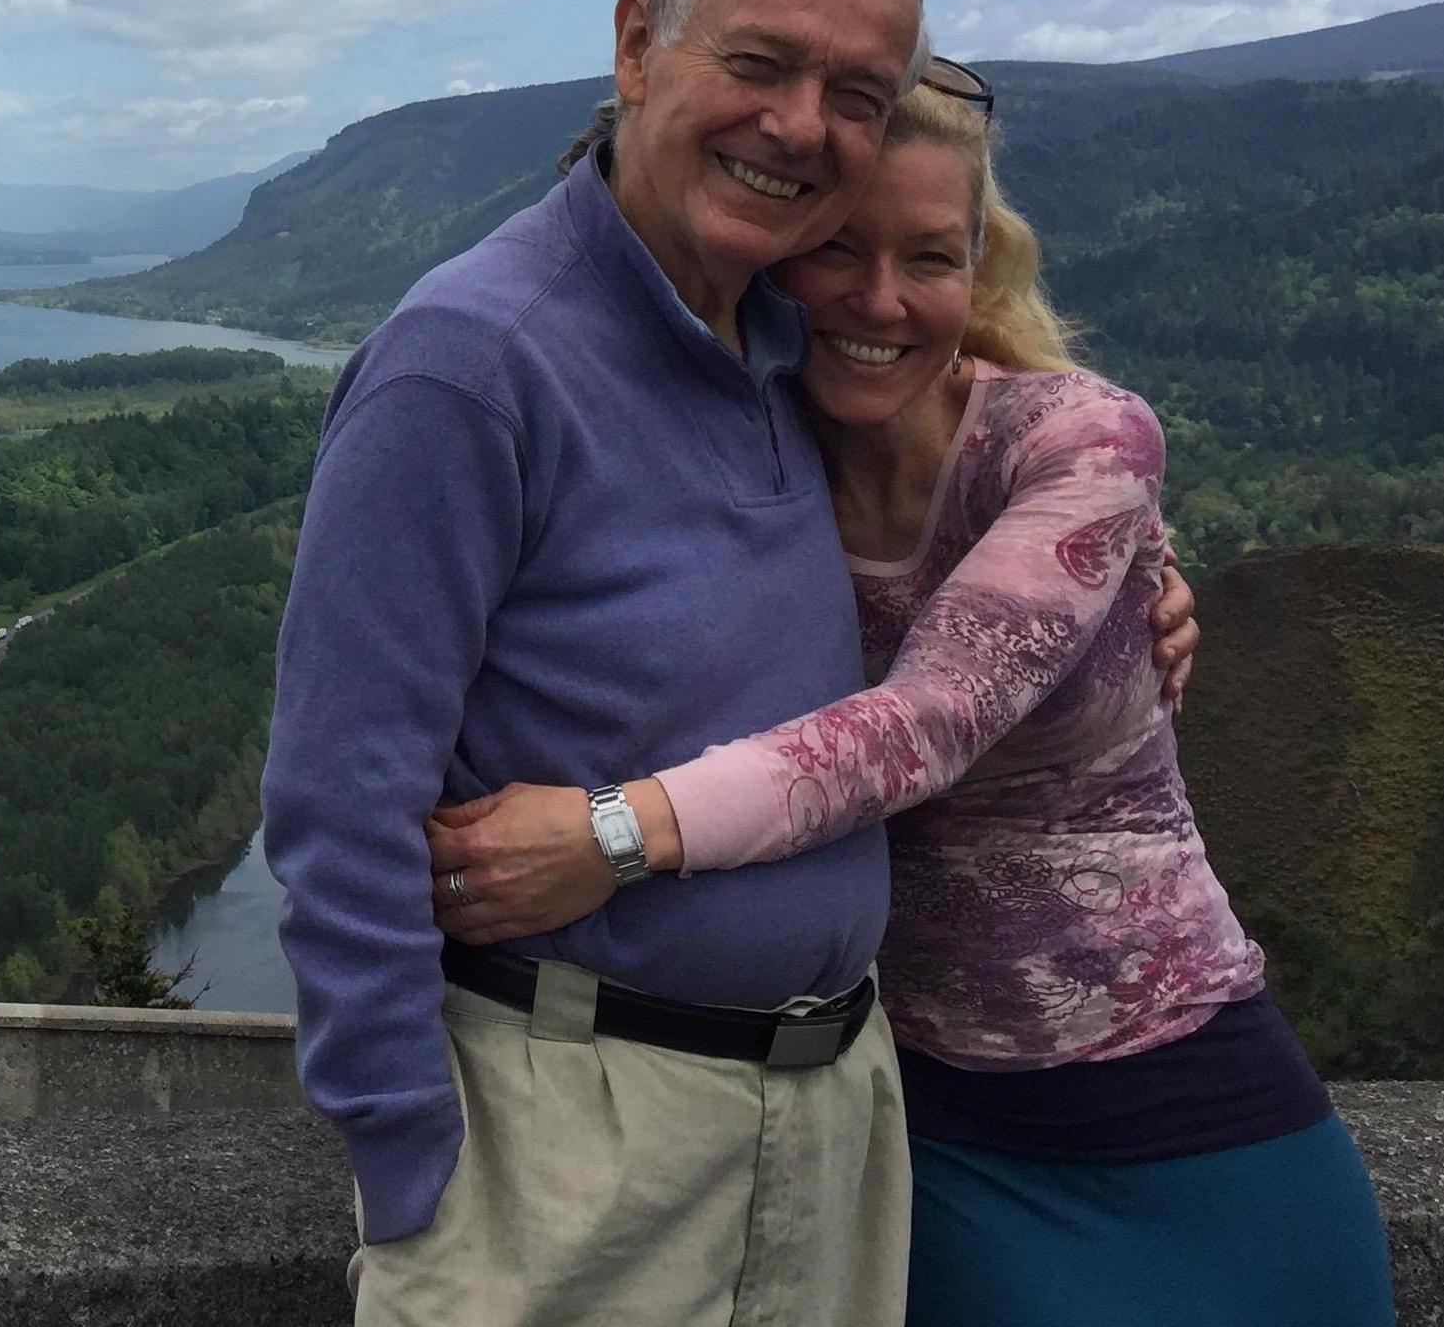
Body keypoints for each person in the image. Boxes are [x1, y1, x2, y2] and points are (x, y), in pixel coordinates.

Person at [429, 78, 1395, 1327]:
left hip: (1180, 1091)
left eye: (927, 258)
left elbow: (925, 722)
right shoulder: (755, 458)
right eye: (835, 248)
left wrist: (609, 836)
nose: (878, 300)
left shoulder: (1078, 440)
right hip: (909, 1115)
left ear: (977, 270)